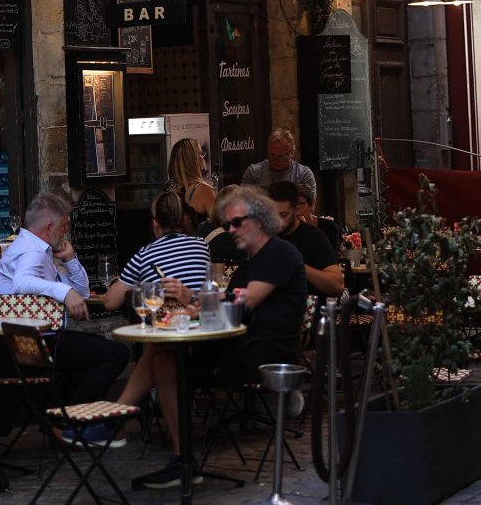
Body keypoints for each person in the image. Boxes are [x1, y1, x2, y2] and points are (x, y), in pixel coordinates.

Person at [130, 187, 308, 491]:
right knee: (162, 354)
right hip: (236, 345)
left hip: (261, 354)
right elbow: (222, 301)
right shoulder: (251, 262)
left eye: (237, 223)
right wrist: (192, 301)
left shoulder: (279, 252)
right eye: (226, 225)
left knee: (164, 357)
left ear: (261, 220)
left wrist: (198, 303)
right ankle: (176, 455)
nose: (230, 231)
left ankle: (122, 420)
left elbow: (245, 302)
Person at [0, 192, 129, 438]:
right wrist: (64, 292)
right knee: (116, 353)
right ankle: (66, 419)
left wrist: (71, 260)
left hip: (36, 338)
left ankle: (59, 416)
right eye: (64, 226)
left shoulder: (39, 249)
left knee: (95, 351)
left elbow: (83, 291)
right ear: (49, 227)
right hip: (29, 342)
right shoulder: (31, 252)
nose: (66, 232)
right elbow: (23, 282)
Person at [103, 192, 212, 456]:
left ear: (155, 224)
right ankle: (116, 418)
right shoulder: (202, 246)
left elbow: (110, 303)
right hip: (202, 331)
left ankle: (116, 417)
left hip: (179, 334)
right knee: (156, 353)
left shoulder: (145, 254)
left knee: (155, 350)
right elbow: (210, 286)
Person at [269, 181, 343, 297]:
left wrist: (299, 267)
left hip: (307, 308)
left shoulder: (313, 237)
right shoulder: (263, 235)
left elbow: (337, 286)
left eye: (284, 215)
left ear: (295, 209)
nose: (279, 222)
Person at [240, 128, 317, 206]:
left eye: (281, 156)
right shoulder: (254, 173)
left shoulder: (303, 175)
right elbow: (243, 205)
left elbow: (310, 208)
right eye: (272, 155)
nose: (275, 160)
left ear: (292, 153)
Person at [166, 138, 215, 233]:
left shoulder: (168, 187)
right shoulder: (203, 189)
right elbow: (217, 227)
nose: (203, 157)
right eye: (200, 153)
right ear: (193, 160)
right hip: (197, 246)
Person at [295, 186, 345, 255]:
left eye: (301, 203)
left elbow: (330, 258)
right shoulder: (287, 229)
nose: (297, 207)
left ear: (311, 204)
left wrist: (305, 229)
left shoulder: (330, 227)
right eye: (294, 204)